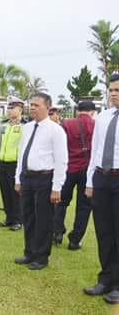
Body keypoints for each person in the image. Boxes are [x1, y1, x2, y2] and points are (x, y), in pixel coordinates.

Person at [13, 92, 67, 271]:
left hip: (45, 178)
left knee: (43, 218)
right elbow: (21, 154)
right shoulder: (27, 127)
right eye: (31, 105)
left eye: (36, 105)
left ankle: (41, 256)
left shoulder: (55, 130)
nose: (32, 108)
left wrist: (57, 187)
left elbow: (61, 160)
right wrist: (18, 177)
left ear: (48, 107)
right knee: (28, 216)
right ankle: (29, 252)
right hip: (27, 178)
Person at [84, 73, 119, 303]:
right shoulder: (103, 117)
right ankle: (105, 279)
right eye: (112, 90)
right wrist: (89, 181)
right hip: (101, 178)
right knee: (104, 232)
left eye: (118, 90)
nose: (113, 94)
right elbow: (95, 150)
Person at [53, 100, 96, 249]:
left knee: (61, 201)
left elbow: (59, 146)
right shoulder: (96, 125)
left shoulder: (67, 123)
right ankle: (75, 240)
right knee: (84, 206)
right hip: (87, 170)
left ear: (77, 110)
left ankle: (57, 232)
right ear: (92, 112)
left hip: (68, 168)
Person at [0, 96, 25, 232]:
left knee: (16, 193)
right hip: (3, 163)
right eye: (9, 107)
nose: (9, 110)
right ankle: (9, 218)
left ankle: (18, 220)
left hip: (15, 164)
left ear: (20, 109)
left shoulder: (25, 126)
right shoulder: (4, 126)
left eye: (12, 108)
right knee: (5, 191)